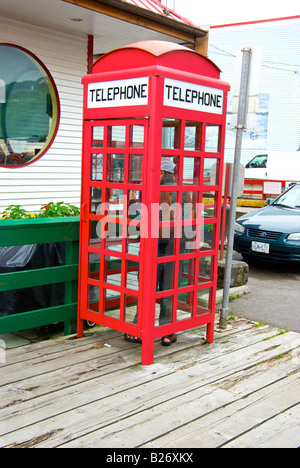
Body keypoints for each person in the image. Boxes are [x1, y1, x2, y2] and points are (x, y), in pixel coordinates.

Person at [124, 157, 181, 347]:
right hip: (173, 245)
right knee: (167, 288)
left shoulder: (154, 190)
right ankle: (167, 330)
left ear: (162, 173)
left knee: (147, 287)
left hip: (157, 243)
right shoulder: (182, 190)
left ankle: (140, 326)